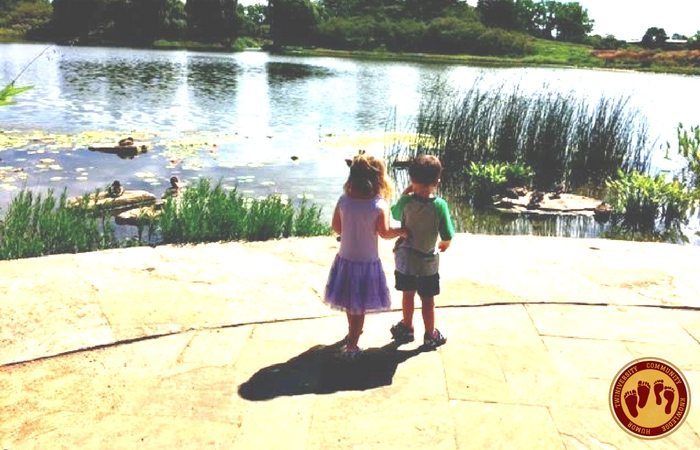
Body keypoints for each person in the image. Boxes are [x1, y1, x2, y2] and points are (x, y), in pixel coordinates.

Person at [324, 153, 407, 357]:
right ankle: (352, 345)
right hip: (366, 263)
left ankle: (352, 332)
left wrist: (351, 229)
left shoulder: (344, 200)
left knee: (349, 302)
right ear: (379, 179)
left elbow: (336, 227)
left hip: (345, 260)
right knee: (359, 306)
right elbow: (385, 233)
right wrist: (403, 231)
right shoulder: (379, 205)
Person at [390, 154, 455, 348]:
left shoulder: (406, 202)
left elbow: (394, 213)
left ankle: (407, 327)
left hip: (406, 260)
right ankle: (430, 334)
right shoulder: (440, 205)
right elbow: (447, 233)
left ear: (411, 180)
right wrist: (445, 243)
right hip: (427, 262)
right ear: (437, 181)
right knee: (428, 300)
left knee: (407, 294)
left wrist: (405, 193)